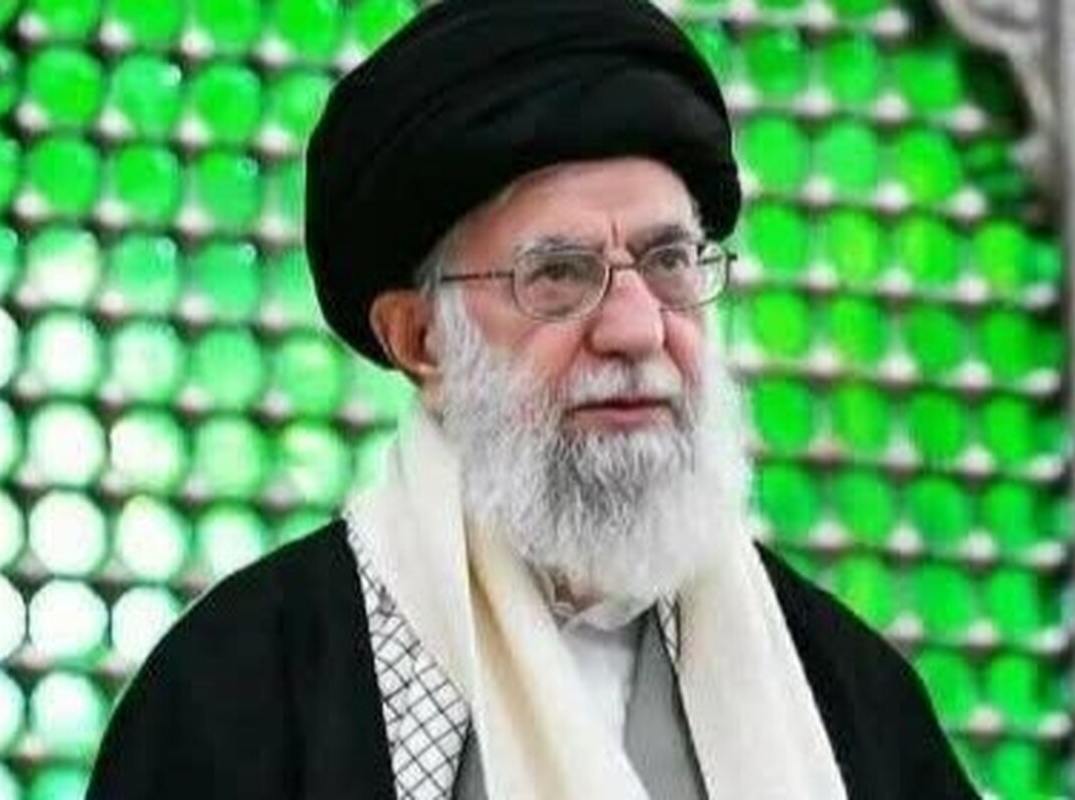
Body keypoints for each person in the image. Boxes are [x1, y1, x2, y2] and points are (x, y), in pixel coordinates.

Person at [87, 1, 979, 798]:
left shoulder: (846, 692)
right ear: (420, 340)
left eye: (669, 262)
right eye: (558, 275)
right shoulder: (243, 696)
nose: (637, 328)